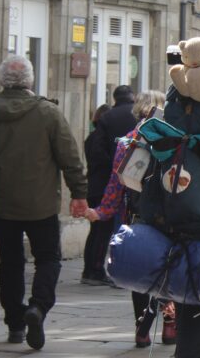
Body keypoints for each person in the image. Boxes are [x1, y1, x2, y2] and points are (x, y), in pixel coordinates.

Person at [0, 55, 88, 350]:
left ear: (2, 81)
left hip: (3, 203)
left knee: (10, 263)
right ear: (30, 80)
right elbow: (70, 156)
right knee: (48, 259)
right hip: (42, 204)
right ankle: (37, 307)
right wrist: (79, 192)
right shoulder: (47, 113)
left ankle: (15, 323)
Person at [85, 90, 170, 348]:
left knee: (140, 271)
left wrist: (101, 211)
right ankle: (169, 325)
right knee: (169, 270)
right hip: (168, 219)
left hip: (135, 217)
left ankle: (142, 329)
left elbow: (116, 185)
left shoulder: (128, 142)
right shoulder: (173, 141)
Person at [81, 103, 114, 286]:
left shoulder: (90, 137)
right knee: (102, 231)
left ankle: (89, 269)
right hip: (101, 188)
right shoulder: (101, 139)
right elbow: (103, 161)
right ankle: (96, 269)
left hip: (92, 186)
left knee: (95, 231)